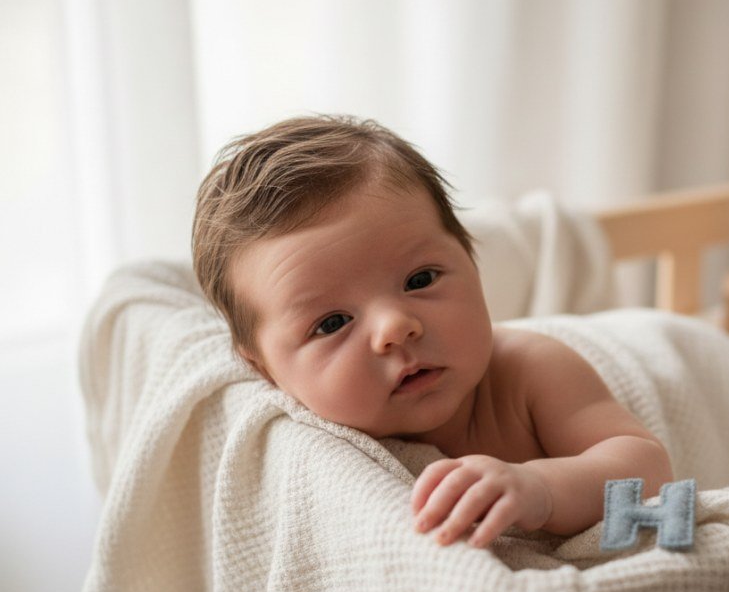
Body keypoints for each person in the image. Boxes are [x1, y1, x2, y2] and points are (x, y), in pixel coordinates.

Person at [192, 115, 673, 548]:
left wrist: (542, 489)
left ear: (472, 260)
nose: (395, 328)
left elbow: (647, 469)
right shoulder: (305, 452)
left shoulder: (532, 368)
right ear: (266, 369)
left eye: (419, 280)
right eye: (332, 323)